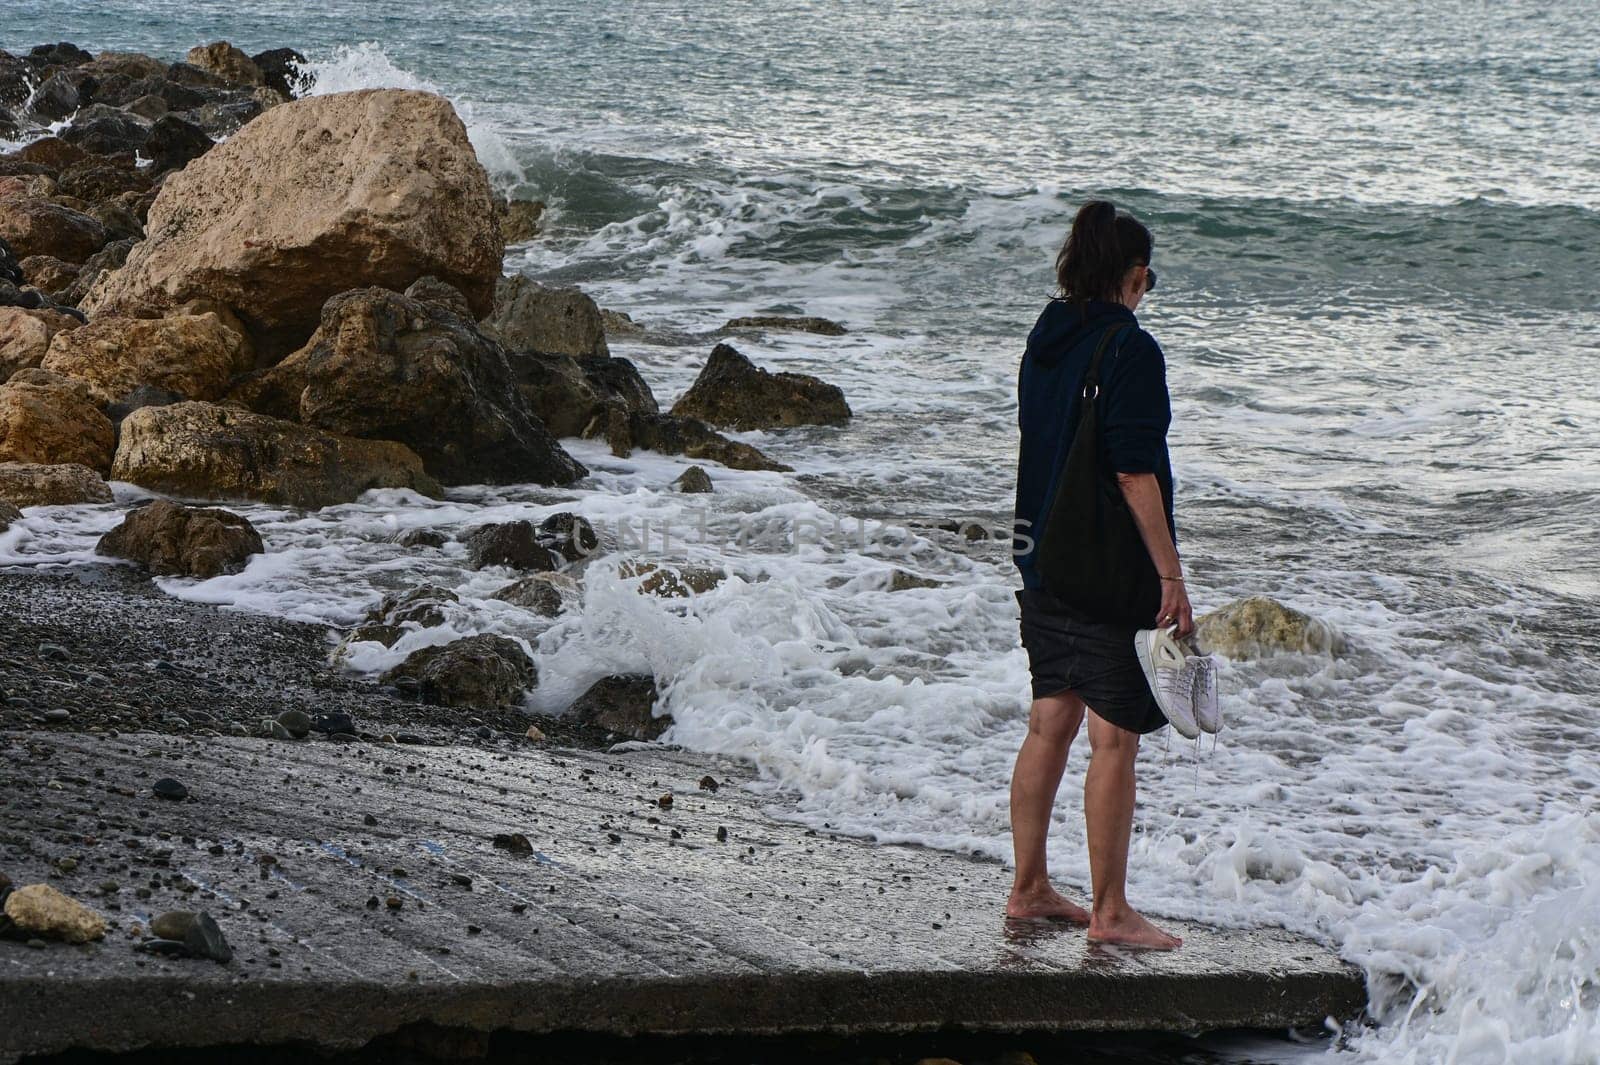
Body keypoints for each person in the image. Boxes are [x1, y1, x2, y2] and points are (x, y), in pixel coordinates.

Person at [1005, 199, 1191, 950]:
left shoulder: (1046, 337)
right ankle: (1110, 911)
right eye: (1150, 279)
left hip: (1040, 553)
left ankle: (1029, 889)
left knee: (1051, 718)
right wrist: (1170, 574)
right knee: (1114, 738)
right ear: (1136, 276)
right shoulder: (1132, 350)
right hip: (1105, 568)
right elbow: (1132, 469)